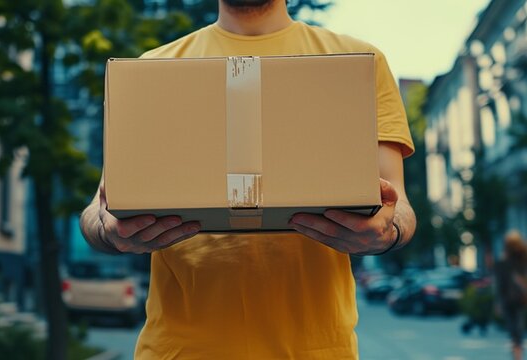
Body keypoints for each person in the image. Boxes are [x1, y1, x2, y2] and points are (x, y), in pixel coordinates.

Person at [80, 0, 417, 358]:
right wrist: (108, 230)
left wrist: (388, 232)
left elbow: (399, 207)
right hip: (177, 351)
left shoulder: (358, 64)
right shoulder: (151, 72)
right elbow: (98, 210)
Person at [494, 231, 527, 360]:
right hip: (518, 299)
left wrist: (498, 303)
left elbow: (500, 285)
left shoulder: (505, 262)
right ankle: (518, 355)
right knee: (518, 331)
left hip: (510, 300)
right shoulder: (523, 260)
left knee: (514, 332)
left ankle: (517, 355)